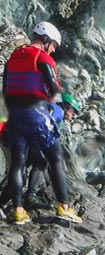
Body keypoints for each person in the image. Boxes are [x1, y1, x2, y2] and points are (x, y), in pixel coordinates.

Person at [2, 21, 82, 225]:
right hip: (35, 112)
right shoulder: (43, 57)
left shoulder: (12, 58)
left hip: (13, 114)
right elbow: (54, 92)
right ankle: (63, 206)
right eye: (53, 45)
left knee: (18, 164)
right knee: (55, 159)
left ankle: (19, 211)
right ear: (45, 38)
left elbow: (5, 89)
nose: (53, 50)